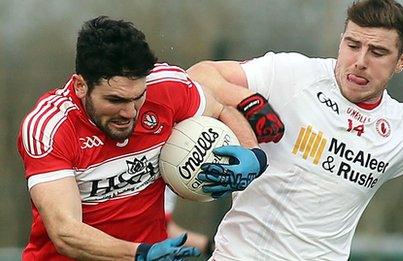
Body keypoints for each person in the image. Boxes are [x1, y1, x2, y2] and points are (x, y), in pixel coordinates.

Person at [187, 0, 403, 260]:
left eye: (377, 52)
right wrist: (246, 102)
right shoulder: (291, 74)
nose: (360, 61)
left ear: (402, 61)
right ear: (341, 41)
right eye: (352, 45)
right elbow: (198, 74)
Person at [16, 16, 268, 261]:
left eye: (138, 97)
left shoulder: (167, 88)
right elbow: (65, 232)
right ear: (81, 86)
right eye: (115, 100)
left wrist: (254, 154)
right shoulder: (50, 127)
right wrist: (139, 253)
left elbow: (221, 109)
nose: (130, 113)